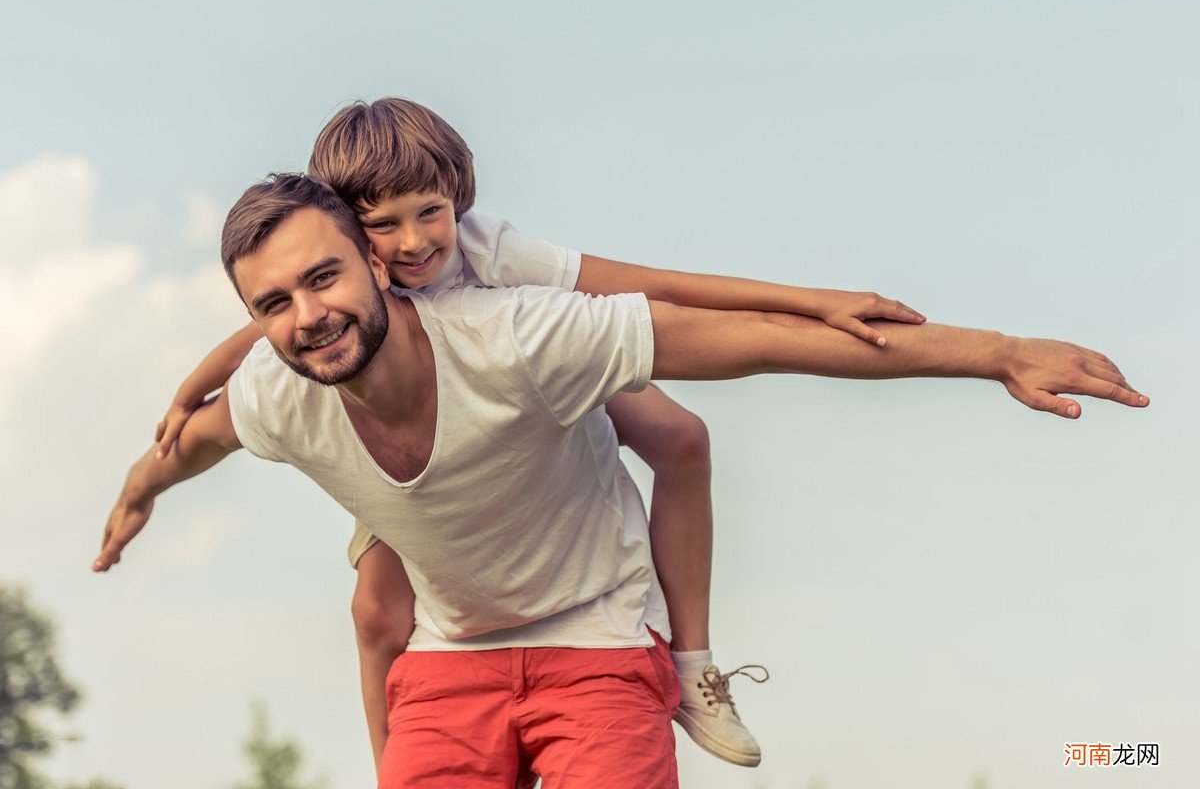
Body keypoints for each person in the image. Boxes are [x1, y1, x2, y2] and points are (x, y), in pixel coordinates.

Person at [96, 174, 1146, 789]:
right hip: (452, 663)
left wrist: (993, 348)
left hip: (593, 644)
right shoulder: (280, 394)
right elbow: (186, 445)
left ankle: (694, 661)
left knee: (675, 434)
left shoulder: (519, 335)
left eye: (322, 277)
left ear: (380, 263)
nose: (304, 316)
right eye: (272, 302)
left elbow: (747, 339)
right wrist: (140, 493)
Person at [151, 98, 929, 769]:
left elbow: (650, 287)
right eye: (385, 228)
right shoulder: (338, 294)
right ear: (352, 238)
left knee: (683, 436)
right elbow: (264, 329)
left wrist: (815, 302)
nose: (417, 242)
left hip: (523, 387)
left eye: (433, 212)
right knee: (375, 610)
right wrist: (191, 392)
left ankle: (692, 666)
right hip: (401, 425)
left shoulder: (494, 253)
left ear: (457, 197)